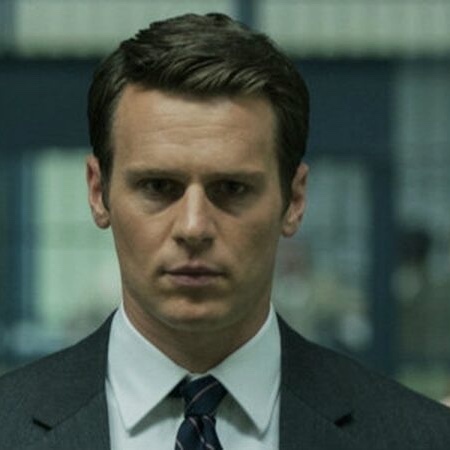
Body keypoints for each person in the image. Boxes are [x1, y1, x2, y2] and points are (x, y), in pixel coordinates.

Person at [0, 12, 449, 450]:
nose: (194, 227)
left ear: (294, 200)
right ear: (99, 193)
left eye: (232, 188)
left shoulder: (418, 436)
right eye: (158, 186)